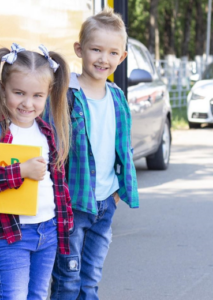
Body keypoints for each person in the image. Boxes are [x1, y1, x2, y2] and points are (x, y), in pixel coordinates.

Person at [0, 43, 73, 300]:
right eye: (19, 93)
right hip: (10, 234)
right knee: (14, 297)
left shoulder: (48, 131)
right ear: (3, 90)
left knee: (38, 296)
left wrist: (63, 226)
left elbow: (58, 184)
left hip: (47, 231)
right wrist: (21, 170)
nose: (27, 103)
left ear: (48, 94)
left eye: (37, 96)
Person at [49, 8, 139, 300]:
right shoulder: (64, 95)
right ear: (80, 50)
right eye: (96, 50)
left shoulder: (117, 97)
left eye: (113, 53)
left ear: (122, 57)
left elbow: (123, 147)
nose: (104, 59)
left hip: (105, 204)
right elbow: (51, 147)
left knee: (90, 281)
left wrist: (117, 191)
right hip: (72, 204)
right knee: (68, 279)